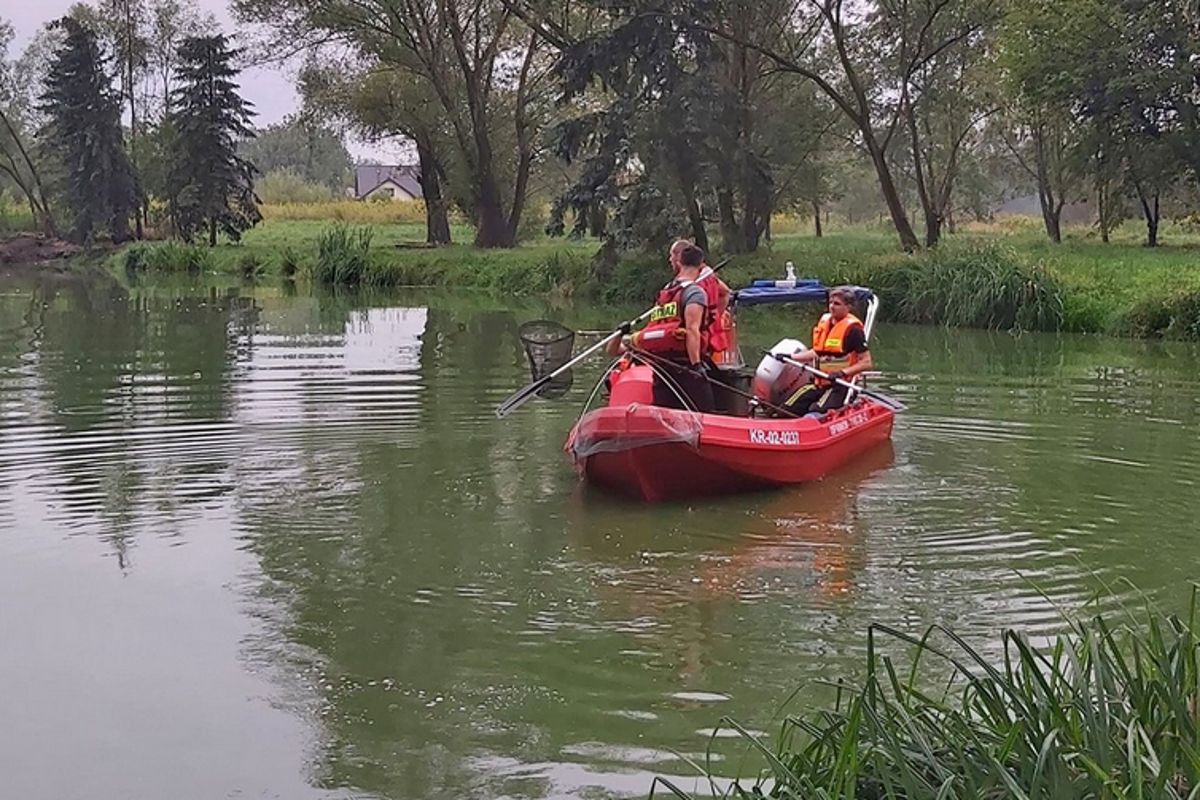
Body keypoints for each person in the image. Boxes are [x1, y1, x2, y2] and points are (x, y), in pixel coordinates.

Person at [607, 243, 715, 412]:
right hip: (686, 369)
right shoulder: (695, 293)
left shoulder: (665, 294)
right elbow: (692, 331)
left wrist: (619, 334)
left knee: (665, 412)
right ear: (701, 266)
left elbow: (656, 329)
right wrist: (696, 366)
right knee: (706, 413)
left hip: (662, 371)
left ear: (679, 263)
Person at [782, 285, 873, 417]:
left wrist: (842, 373)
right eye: (830, 303)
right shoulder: (825, 323)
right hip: (819, 382)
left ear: (848, 307)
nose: (832, 306)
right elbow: (817, 352)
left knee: (816, 411)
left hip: (840, 385)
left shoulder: (854, 330)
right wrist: (791, 357)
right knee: (785, 409)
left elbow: (866, 363)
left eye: (837, 304)